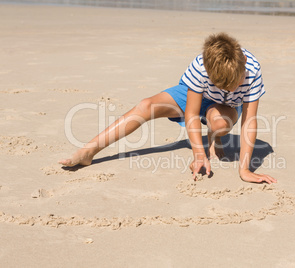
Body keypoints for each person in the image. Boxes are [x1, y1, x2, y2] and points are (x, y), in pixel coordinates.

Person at [59, 32, 277, 184]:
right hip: (197, 95)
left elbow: (249, 120)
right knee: (146, 105)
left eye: (238, 81)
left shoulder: (252, 69)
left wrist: (245, 169)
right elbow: (191, 114)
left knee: (220, 124)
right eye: (229, 84)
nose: (237, 86)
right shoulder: (201, 66)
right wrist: (199, 155)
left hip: (224, 107)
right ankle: (89, 151)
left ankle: (215, 137)